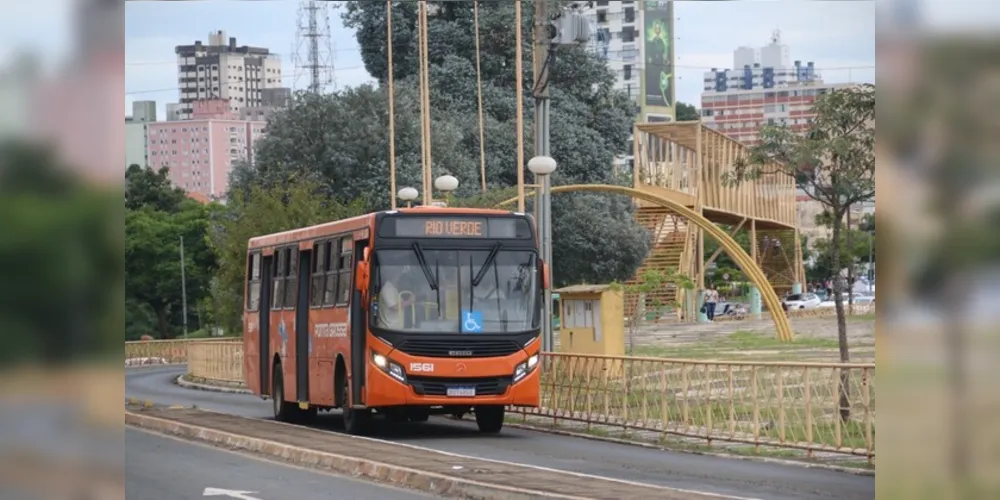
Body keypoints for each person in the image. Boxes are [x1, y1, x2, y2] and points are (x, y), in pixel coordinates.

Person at [376, 265, 415, 330]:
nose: (400, 278)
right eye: (398, 275)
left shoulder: (393, 288)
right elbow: (394, 307)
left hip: (394, 327)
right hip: (388, 328)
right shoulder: (388, 289)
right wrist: (409, 301)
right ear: (394, 275)